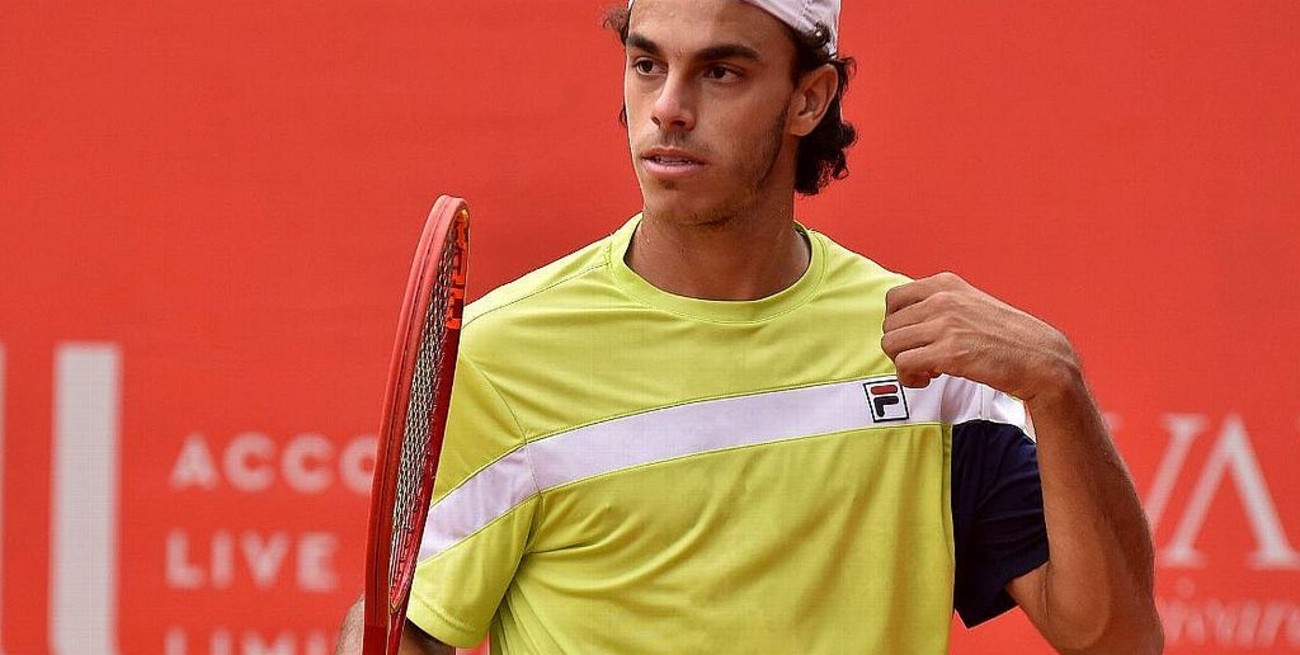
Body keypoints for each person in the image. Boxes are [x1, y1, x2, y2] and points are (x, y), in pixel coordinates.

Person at [336, 0, 1163, 652]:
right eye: (646, 64)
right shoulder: (503, 355)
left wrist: (1059, 388)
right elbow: (411, 627)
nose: (668, 108)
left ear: (809, 98)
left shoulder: (922, 356)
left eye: (720, 72)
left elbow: (1117, 639)